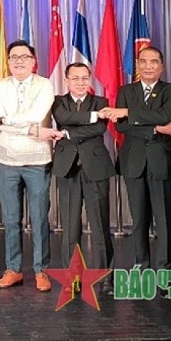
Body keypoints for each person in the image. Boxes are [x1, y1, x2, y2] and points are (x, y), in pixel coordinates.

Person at [101, 46, 171, 278]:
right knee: (139, 220)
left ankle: (165, 272)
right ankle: (142, 269)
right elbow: (120, 125)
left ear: (162, 66)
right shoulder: (126, 90)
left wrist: (129, 112)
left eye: (154, 62)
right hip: (133, 161)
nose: (148, 66)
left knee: (164, 220)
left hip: (162, 160)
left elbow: (165, 115)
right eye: (143, 62)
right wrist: (155, 128)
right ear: (137, 65)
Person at [0, 40, 59, 292]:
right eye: (14, 57)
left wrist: (12, 122)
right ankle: (14, 269)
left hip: (38, 160)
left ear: (33, 60)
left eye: (24, 56)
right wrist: (31, 129)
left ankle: (41, 271)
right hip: (7, 160)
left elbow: (33, 114)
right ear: (8, 61)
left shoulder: (44, 85)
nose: (19, 60)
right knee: (10, 219)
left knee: (39, 218)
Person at [51, 63, 115, 295]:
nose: (80, 82)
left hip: (95, 167)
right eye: (75, 78)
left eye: (84, 78)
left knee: (100, 225)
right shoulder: (58, 102)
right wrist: (89, 119)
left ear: (90, 80)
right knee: (70, 227)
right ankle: (73, 277)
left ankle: (106, 278)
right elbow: (63, 116)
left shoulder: (101, 102)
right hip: (68, 168)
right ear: (66, 80)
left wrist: (68, 132)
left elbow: (98, 129)